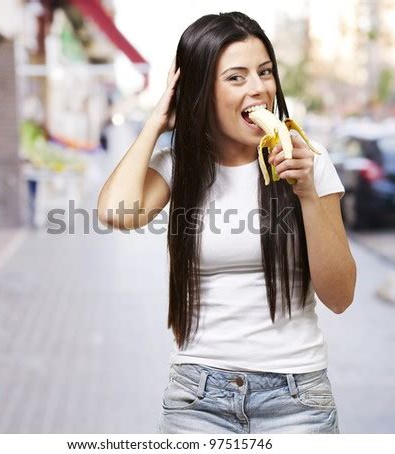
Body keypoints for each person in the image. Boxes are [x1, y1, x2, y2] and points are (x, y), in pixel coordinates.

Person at [97, 12, 356, 434]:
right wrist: (158, 120)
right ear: (200, 92)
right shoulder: (181, 167)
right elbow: (115, 211)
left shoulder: (309, 161)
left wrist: (306, 191)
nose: (259, 88)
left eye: (265, 72)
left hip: (297, 398)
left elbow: (341, 295)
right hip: (198, 397)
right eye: (236, 77)